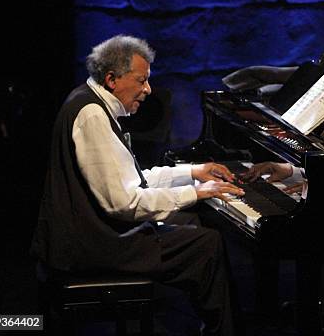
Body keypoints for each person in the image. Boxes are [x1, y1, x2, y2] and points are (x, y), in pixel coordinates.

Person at [31, 34, 243, 336]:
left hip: (90, 235)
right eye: (141, 80)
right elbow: (124, 203)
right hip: (92, 245)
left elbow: (134, 179)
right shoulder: (92, 115)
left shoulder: (91, 102)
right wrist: (195, 193)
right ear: (112, 79)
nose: (148, 89)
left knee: (193, 225)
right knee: (206, 245)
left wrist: (194, 172)